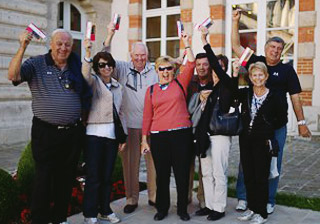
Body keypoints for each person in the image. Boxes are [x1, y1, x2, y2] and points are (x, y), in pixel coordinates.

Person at [231, 8, 312, 213]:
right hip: (253, 126)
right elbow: (235, 46)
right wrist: (235, 21)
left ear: (282, 51)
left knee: (273, 164)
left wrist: (301, 124)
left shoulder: (287, 70)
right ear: (265, 48)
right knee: (246, 162)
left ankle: (269, 200)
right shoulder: (255, 61)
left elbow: (295, 98)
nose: (275, 51)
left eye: (279, 48)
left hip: (277, 127)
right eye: (272, 47)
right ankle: (243, 197)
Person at [8, 29, 91, 224]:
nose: (63, 48)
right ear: (51, 44)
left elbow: (88, 86)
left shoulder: (75, 65)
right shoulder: (36, 63)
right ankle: (39, 219)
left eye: (68, 45)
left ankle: (60, 219)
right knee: (43, 179)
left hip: (72, 133)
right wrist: (22, 47)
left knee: (65, 178)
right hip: (45, 133)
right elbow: (12, 75)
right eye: (59, 43)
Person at [103, 22, 157, 213]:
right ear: (131, 55)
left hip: (152, 124)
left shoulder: (155, 70)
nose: (140, 58)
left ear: (147, 55)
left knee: (154, 164)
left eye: (143, 55)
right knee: (130, 165)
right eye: (137, 55)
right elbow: (104, 57)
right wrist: (109, 35)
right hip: (130, 125)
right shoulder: (123, 68)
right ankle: (131, 199)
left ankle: (154, 197)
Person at [141, 31, 195, 221]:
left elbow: (191, 63)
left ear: (174, 69)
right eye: (162, 68)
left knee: (181, 174)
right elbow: (147, 116)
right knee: (161, 175)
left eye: (169, 68)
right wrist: (144, 140)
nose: (165, 72)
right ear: (157, 71)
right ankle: (162, 209)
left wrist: (187, 43)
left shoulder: (180, 83)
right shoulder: (151, 91)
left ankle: (182, 209)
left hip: (181, 135)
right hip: (159, 137)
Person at [81, 38, 127, 224]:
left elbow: (121, 113)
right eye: (102, 65)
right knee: (94, 177)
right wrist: (87, 53)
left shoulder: (118, 87)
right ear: (97, 67)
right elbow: (84, 75)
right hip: (93, 136)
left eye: (109, 65)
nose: (106, 68)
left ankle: (105, 210)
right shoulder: (93, 82)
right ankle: (90, 213)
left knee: (107, 176)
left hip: (111, 137)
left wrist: (122, 137)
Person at [193, 27, 237, 221]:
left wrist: (204, 41)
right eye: (213, 68)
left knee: (219, 173)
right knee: (206, 174)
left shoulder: (228, 85)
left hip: (220, 136)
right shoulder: (211, 88)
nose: (215, 70)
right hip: (206, 136)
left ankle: (219, 208)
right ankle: (209, 205)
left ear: (223, 69)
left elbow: (217, 67)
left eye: (218, 67)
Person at [233, 61, 284, 224]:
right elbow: (231, 91)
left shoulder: (274, 95)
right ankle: (253, 208)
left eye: (260, 74)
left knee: (261, 177)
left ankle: (262, 213)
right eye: (254, 75)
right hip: (246, 140)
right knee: (248, 176)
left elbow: (282, 118)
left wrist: (265, 128)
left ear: (266, 76)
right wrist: (235, 73)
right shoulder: (247, 93)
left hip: (263, 141)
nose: (257, 78)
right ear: (250, 77)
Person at [187, 52, 213, 215]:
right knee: (187, 166)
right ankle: (186, 196)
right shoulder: (191, 82)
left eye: (205, 64)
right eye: (199, 65)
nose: (202, 67)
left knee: (205, 166)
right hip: (189, 130)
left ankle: (203, 198)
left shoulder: (214, 81)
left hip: (207, 130)